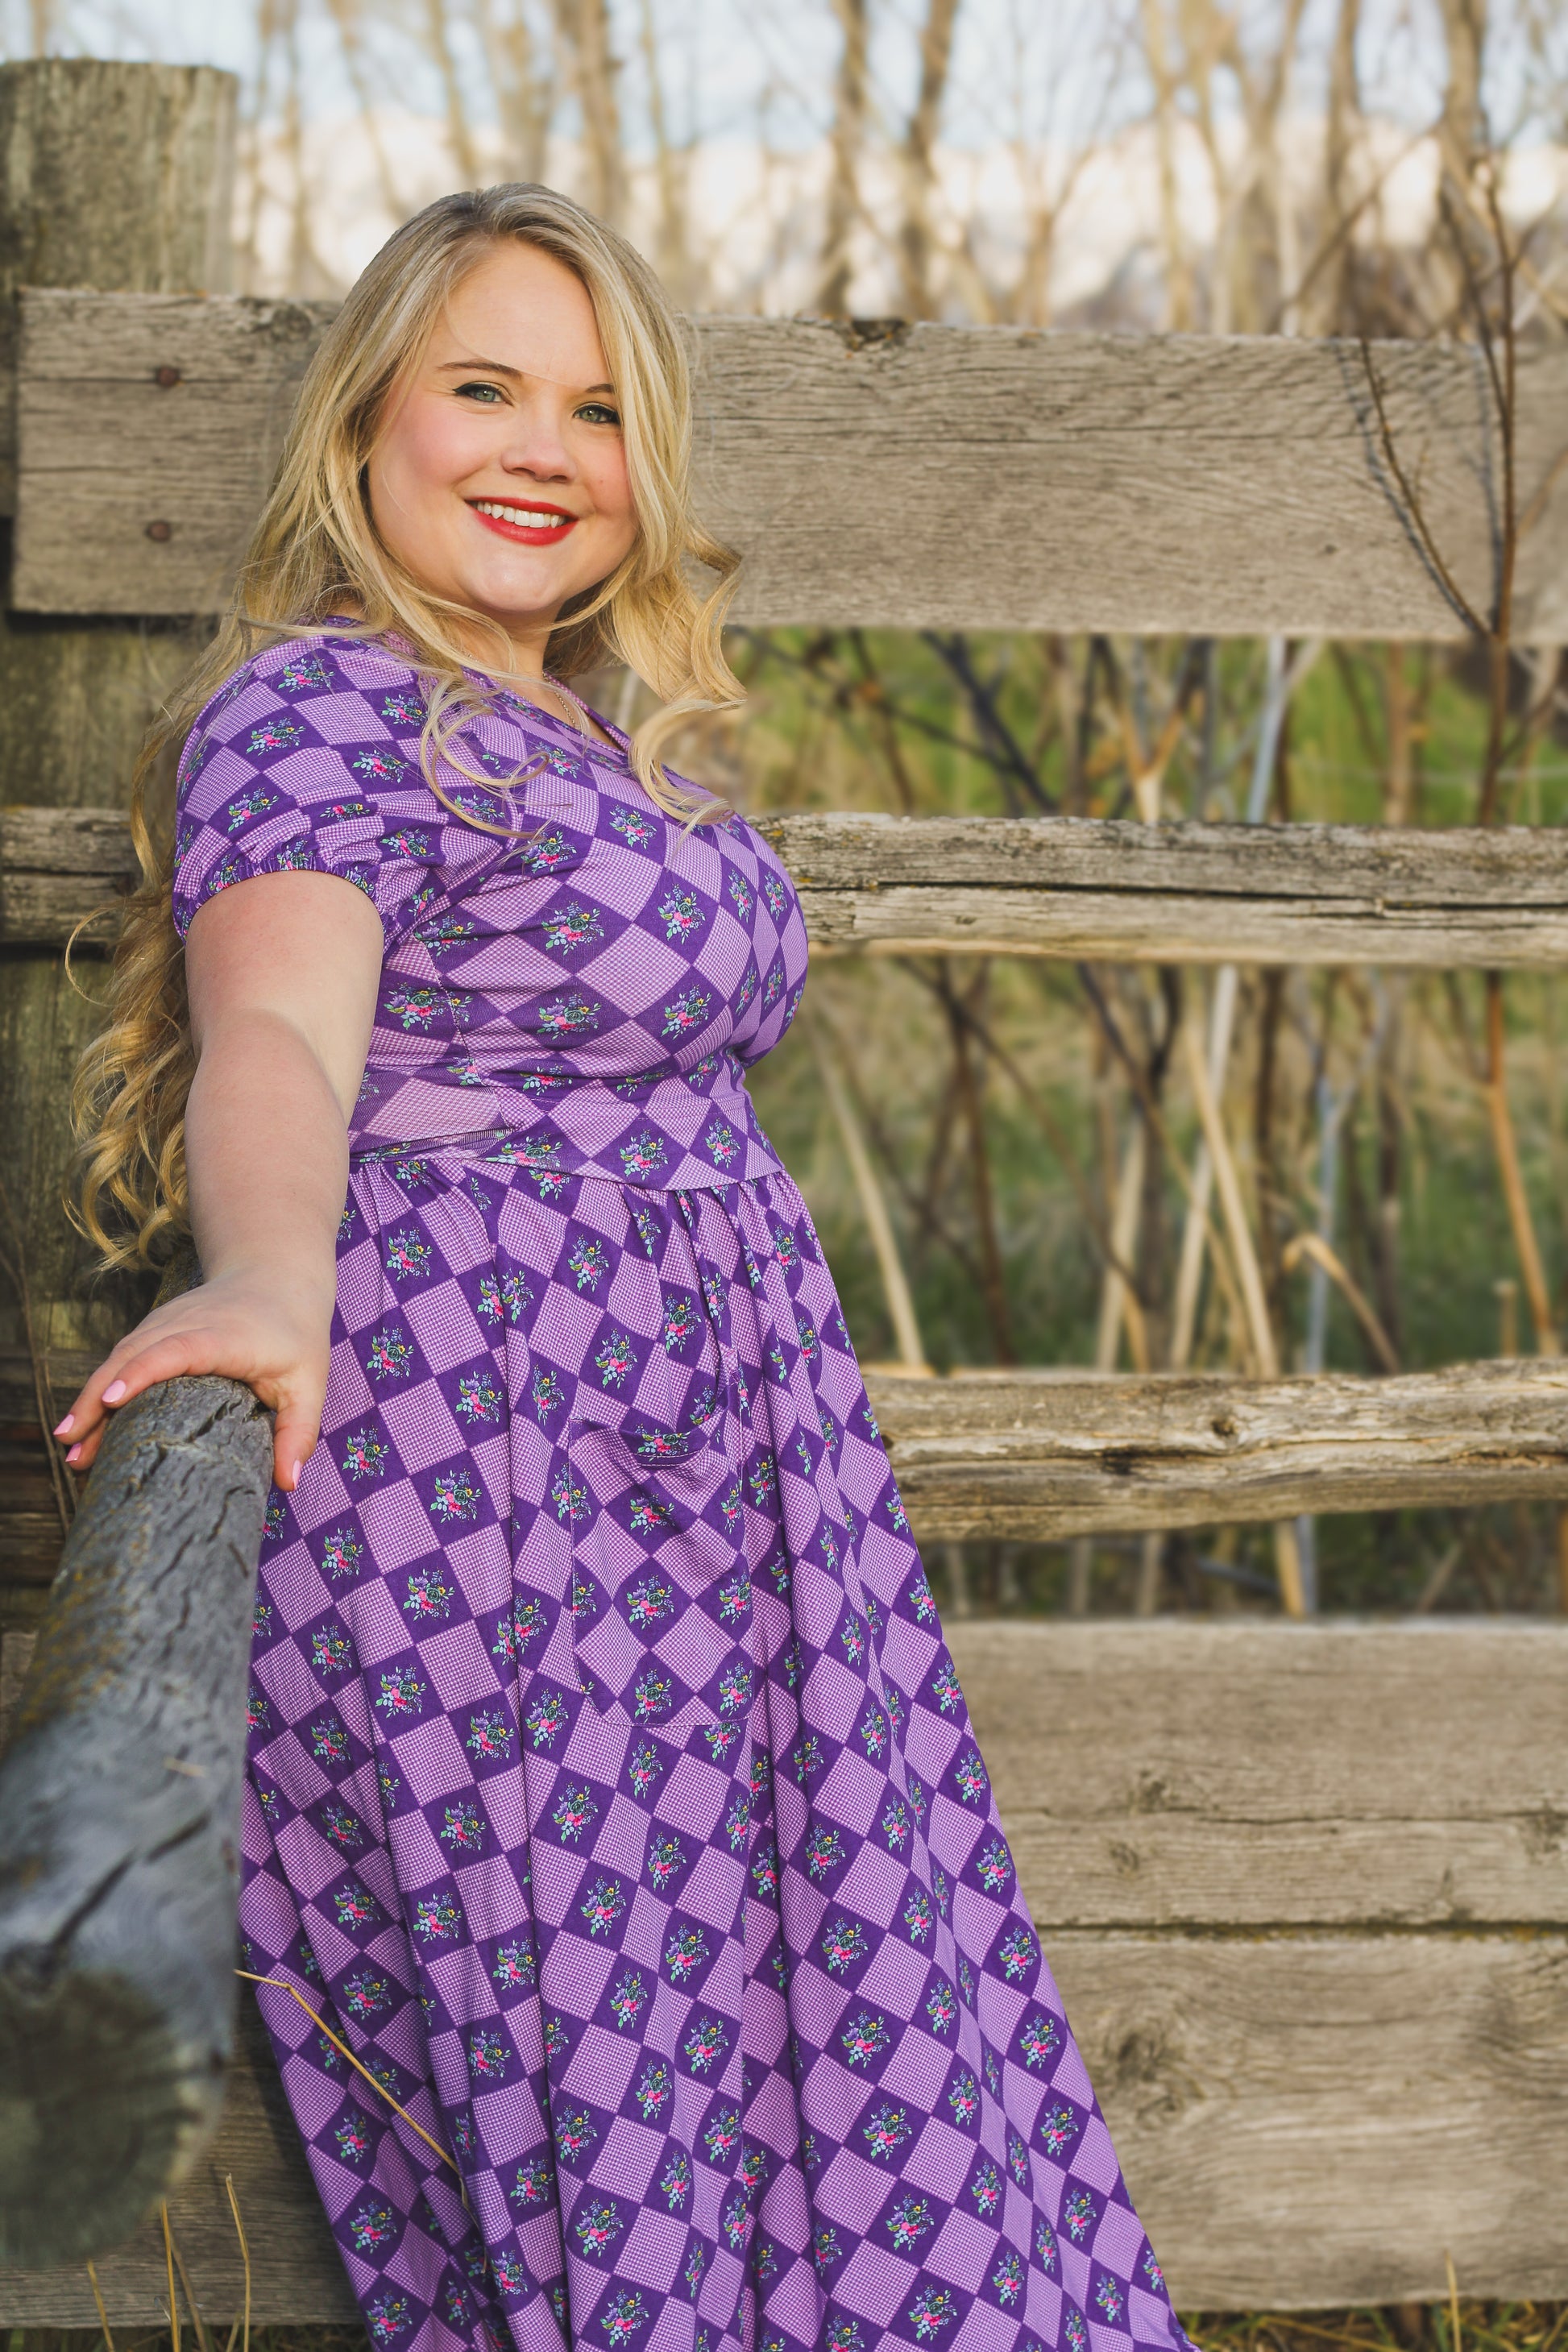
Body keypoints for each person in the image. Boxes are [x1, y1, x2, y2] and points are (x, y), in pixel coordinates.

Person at [62, 186, 1192, 2352]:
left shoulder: (587, 730)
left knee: (833, 2024)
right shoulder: (325, 713)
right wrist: (265, 1283)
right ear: (364, 422)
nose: (540, 446)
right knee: (611, 2074)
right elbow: (281, 1031)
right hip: (498, 1483)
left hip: (731, 1499)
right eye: (481, 385)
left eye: (594, 409)